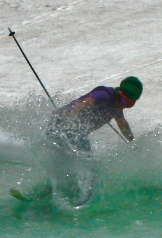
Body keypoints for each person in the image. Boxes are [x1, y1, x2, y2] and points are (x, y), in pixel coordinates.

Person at [12, 77, 142, 205]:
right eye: (122, 99)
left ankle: (55, 188)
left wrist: (132, 141)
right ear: (118, 92)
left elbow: (122, 123)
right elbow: (85, 103)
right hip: (64, 128)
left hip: (76, 134)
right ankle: (78, 194)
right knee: (87, 164)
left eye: (128, 104)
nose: (122, 104)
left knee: (69, 164)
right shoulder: (104, 94)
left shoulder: (117, 107)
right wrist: (69, 120)